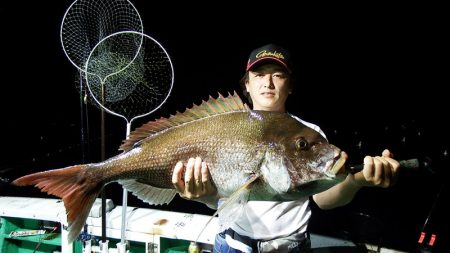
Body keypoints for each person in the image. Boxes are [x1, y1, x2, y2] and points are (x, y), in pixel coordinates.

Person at [171, 44, 400, 252]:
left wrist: (356, 181)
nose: (268, 83)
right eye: (259, 75)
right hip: (233, 245)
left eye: (278, 75)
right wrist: (201, 196)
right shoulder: (224, 125)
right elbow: (218, 198)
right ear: (247, 85)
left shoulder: (309, 132)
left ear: (290, 85)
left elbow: (323, 199)